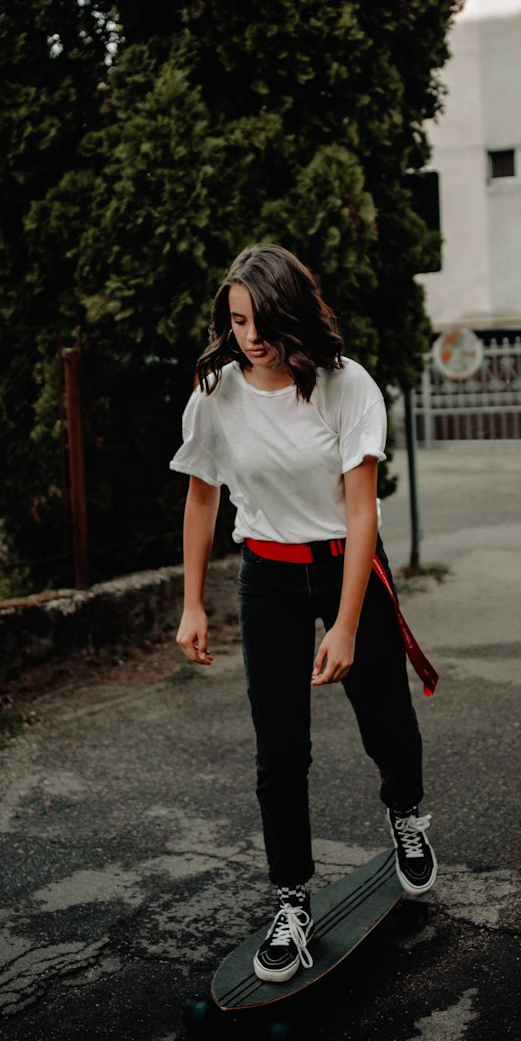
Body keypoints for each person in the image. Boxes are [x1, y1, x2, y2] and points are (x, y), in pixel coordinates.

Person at [171, 242, 436, 984]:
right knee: (279, 751)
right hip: (269, 581)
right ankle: (291, 900)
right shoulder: (216, 392)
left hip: (348, 567)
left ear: (290, 310)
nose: (250, 335)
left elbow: (361, 512)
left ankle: (407, 813)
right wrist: (193, 602)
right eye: (237, 321)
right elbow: (201, 494)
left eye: (261, 319)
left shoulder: (346, 387)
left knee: (386, 719)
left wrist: (347, 623)